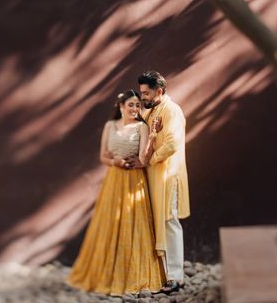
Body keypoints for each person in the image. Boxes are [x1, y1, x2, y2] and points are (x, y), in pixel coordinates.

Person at [67, 89, 165, 296]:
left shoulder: (141, 127)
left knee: (134, 224)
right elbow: (103, 156)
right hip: (113, 180)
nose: (134, 109)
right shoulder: (110, 126)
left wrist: (152, 138)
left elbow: (143, 159)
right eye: (130, 105)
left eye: (137, 105)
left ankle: (133, 275)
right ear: (120, 107)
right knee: (109, 224)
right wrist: (115, 162)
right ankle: (106, 274)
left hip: (133, 180)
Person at [128, 71, 190, 295]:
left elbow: (172, 143)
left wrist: (151, 160)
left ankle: (176, 277)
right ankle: (166, 275)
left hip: (168, 175)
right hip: (156, 177)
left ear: (159, 91)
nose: (143, 97)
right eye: (142, 92)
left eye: (146, 93)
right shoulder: (154, 111)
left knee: (170, 222)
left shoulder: (171, 110)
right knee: (161, 223)